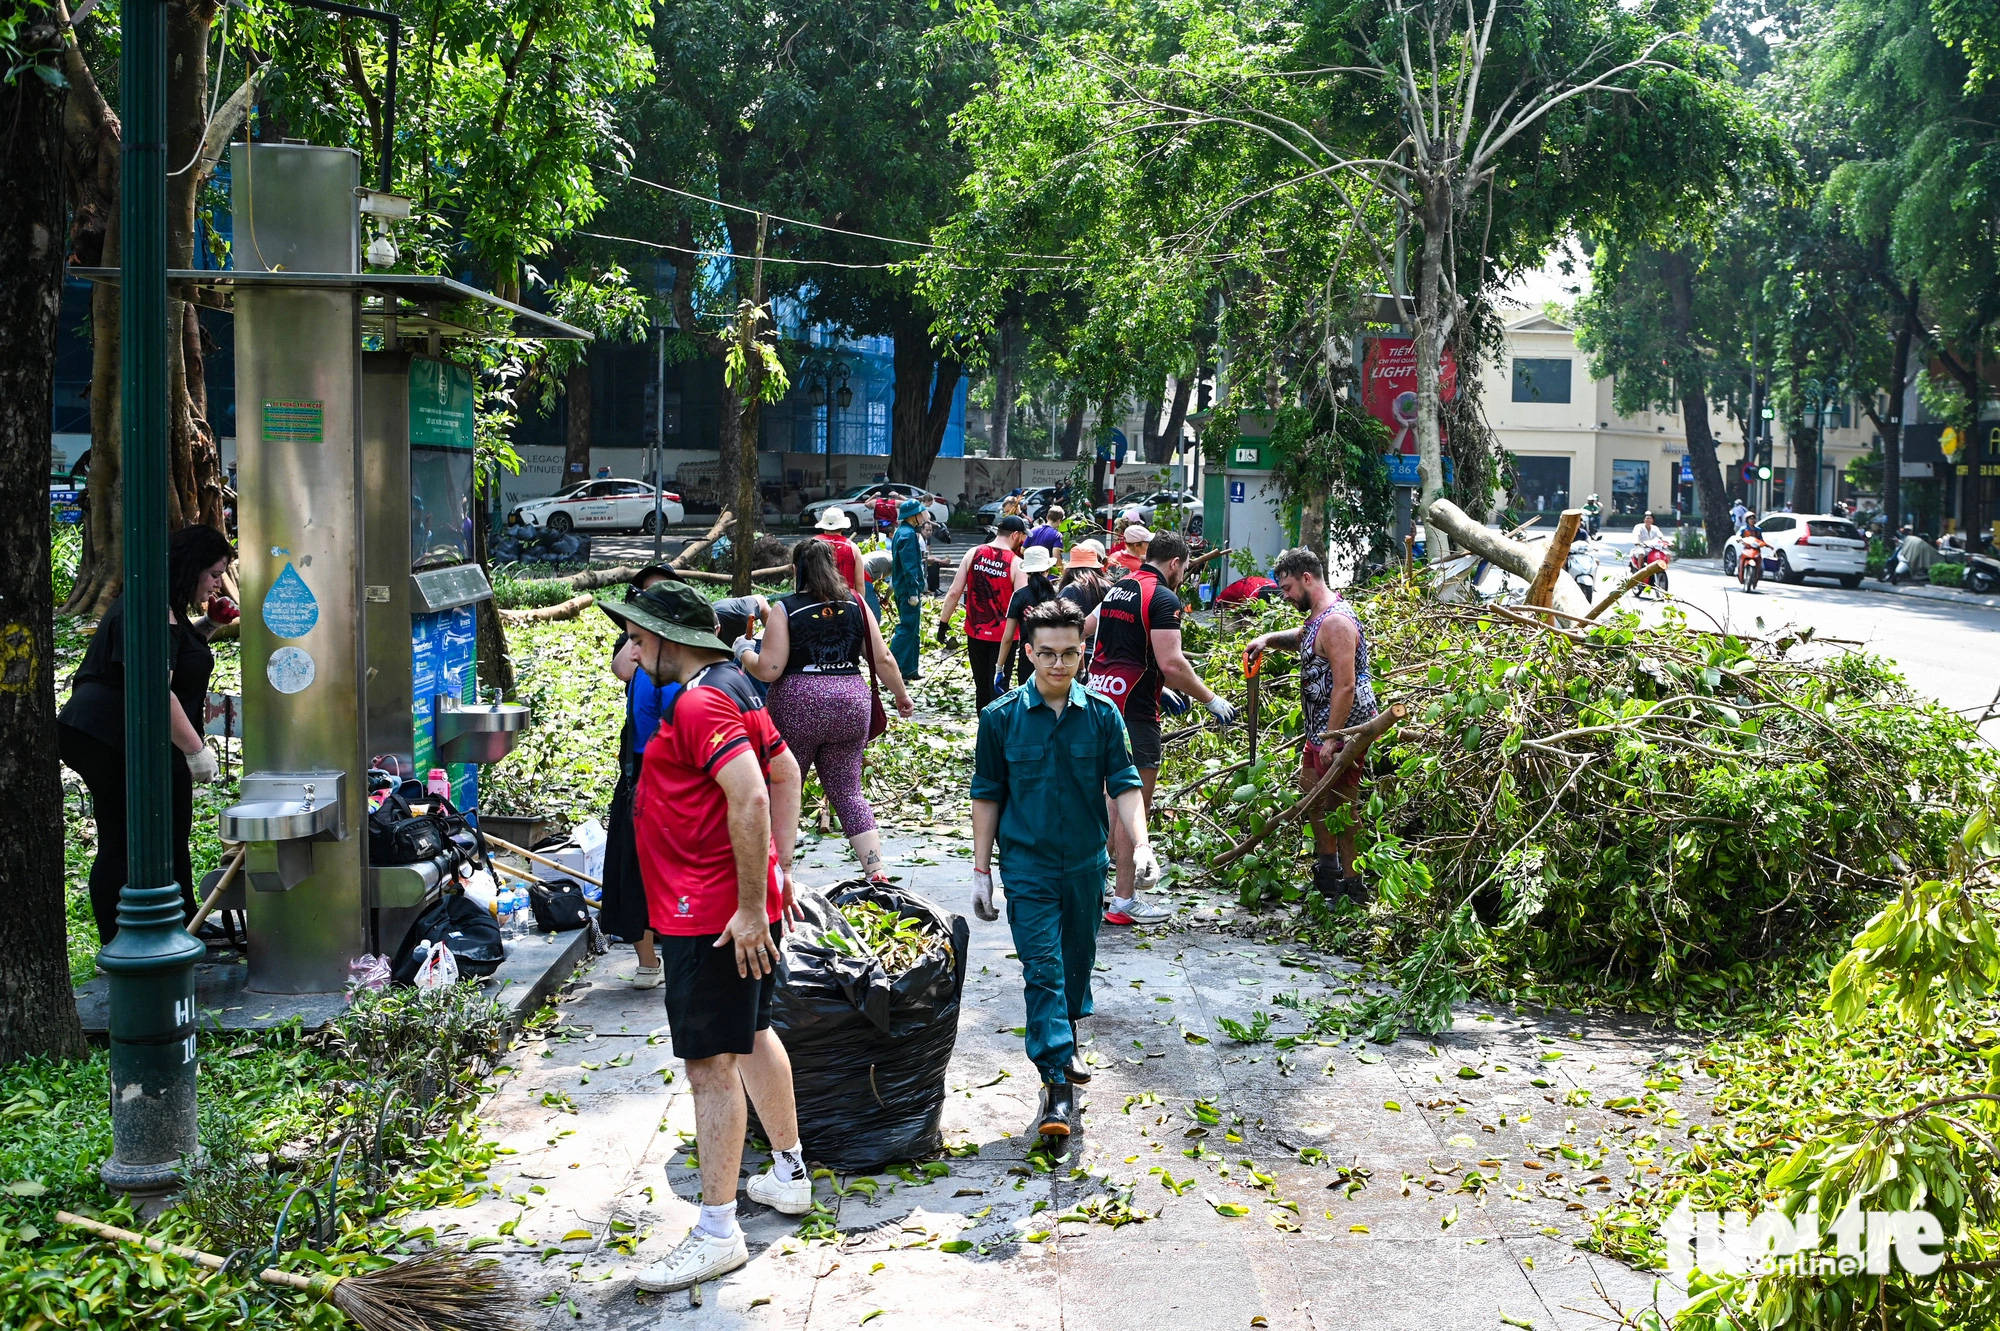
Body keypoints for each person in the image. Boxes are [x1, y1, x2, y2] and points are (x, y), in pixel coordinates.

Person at [601, 580, 813, 1293]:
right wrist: (774, 876)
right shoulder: (738, 684)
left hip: (713, 917)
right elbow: (784, 773)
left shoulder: (700, 700)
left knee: (709, 1067)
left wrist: (753, 905)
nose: (631, 651)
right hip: (734, 906)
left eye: (637, 638)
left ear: (668, 638)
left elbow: (754, 790)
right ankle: (787, 1172)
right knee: (751, 1035)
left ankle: (718, 1230)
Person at [971, 598, 1153, 1137]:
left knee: (1073, 971)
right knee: (1043, 969)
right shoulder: (999, 719)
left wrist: (1140, 845)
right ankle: (1057, 1077)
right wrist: (982, 871)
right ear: (1027, 652)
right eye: (1047, 654)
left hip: (1085, 866)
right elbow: (986, 794)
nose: (1058, 664)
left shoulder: (1102, 715)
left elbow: (1124, 784)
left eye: (1070, 653)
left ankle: (1062, 1076)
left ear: (1082, 652)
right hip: (1026, 866)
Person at [58, 524, 232, 943]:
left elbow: (177, 653)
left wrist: (207, 625)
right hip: (106, 734)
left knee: (171, 825)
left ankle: (183, 923)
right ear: (189, 568)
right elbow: (154, 688)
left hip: (137, 735)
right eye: (212, 573)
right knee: (122, 837)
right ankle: (119, 941)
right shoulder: (147, 608)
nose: (216, 584)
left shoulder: (165, 607)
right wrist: (195, 751)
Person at [738, 540, 914, 881]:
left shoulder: (785, 608)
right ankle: (876, 870)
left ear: (795, 570)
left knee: (786, 786)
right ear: (833, 567)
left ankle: (778, 872)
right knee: (848, 791)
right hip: (851, 702)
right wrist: (902, 696)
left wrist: (744, 651)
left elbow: (770, 669)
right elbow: (882, 658)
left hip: (798, 704)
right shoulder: (857, 604)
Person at [1084, 531, 1236, 924]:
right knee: (1133, 803)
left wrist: (1157, 684)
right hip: (1134, 711)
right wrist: (1211, 699)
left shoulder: (1120, 587)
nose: (1183, 575)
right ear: (1175, 563)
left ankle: (1092, 887)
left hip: (1098, 699)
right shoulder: (1164, 597)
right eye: (1185, 568)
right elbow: (1173, 663)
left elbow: (1088, 629)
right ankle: (1124, 901)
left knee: (1105, 798)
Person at [1245, 548, 1380, 903]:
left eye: (1288, 588)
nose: (1285, 596)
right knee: (1312, 793)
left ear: (1307, 578)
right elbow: (1305, 637)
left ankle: (1353, 886)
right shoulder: (1320, 617)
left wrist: (1332, 739)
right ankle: (1328, 874)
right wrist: (1267, 640)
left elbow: (1346, 685)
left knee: (1341, 804)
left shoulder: (1336, 621)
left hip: (1343, 729)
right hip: (1321, 728)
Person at [602, 565, 685, 988]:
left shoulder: (692, 659)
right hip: (640, 773)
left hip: (684, 779)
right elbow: (621, 669)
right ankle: (648, 960)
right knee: (634, 867)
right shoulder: (635, 651)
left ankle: (683, 944)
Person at [938, 514, 1029, 710]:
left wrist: (943, 624)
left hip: (975, 632)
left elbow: (954, 592)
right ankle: (997, 731)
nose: (1022, 541)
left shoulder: (973, 553)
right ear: (1015, 535)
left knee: (981, 687)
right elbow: (1023, 603)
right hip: (1004, 638)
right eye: (1022, 536)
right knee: (998, 686)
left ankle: (983, 726)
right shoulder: (1016, 563)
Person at [994, 545, 1060, 689]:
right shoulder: (1058, 594)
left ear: (1026, 572)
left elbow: (1008, 638)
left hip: (1028, 658)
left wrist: (999, 667)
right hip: (1055, 658)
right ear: (1047, 570)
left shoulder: (1019, 596)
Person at [889, 498, 928, 679]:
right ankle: (891, 669)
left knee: (913, 629)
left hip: (903, 588)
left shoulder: (903, 531)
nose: (924, 516)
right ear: (914, 516)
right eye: (921, 513)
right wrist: (913, 591)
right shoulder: (908, 534)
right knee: (906, 629)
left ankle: (910, 669)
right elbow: (910, 566)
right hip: (907, 590)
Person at [813, 507, 869, 599]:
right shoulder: (852, 547)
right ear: (843, 527)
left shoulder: (812, 543)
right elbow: (860, 584)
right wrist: (859, 606)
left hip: (816, 601)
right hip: (845, 602)